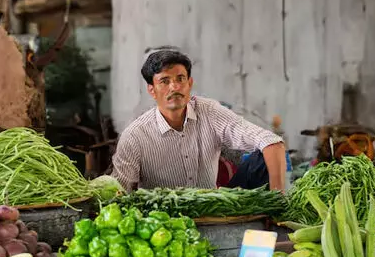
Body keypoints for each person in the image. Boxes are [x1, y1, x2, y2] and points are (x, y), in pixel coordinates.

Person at [111, 46, 287, 192]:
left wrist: (278, 199)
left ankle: (262, 222)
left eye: (180, 78)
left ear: (190, 83)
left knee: (262, 159)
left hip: (214, 207)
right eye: (164, 81)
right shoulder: (135, 136)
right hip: (164, 220)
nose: (175, 87)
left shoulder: (210, 111)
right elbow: (119, 190)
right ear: (152, 90)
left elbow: (272, 142)